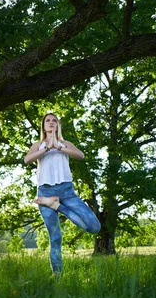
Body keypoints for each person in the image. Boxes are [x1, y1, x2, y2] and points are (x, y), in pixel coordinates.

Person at [24, 113, 101, 274]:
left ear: (58, 125)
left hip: (66, 192)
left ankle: (56, 205)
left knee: (94, 227)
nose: (51, 123)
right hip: (45, 191)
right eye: (48, 121)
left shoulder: (65, 144)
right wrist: (46, 148)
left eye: (54, 120)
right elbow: (27, 160)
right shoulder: (37, 145)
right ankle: (58, 278)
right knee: (55, 237)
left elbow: (80, 155)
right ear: (43, 126)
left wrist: (58, 147)